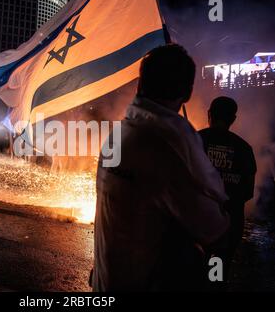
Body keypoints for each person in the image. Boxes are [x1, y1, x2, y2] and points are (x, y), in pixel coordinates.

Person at [92, 44, 229, 292]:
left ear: (139, 85)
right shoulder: (168, 146)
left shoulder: (118, 135)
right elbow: (213, 230)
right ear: (187, 93)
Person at [199, 96, 256, 283]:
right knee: (217, 276)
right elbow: (248, 191)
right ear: (233, 119)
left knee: (193, 275)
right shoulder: (243, 148)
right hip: (229, 226)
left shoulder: (194, 141)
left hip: (197, 223)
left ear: (209, 115)